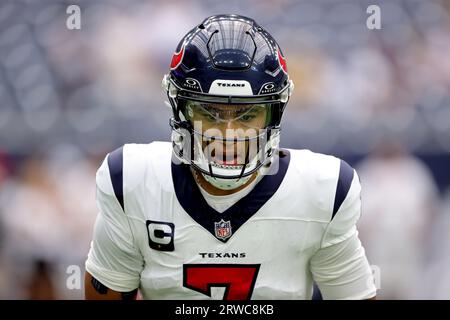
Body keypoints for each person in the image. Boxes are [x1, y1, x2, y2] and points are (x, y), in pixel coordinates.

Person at [84, 14, 377, 300]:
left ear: (274, 113)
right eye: (208, 112)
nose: (229, 133)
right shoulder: (132, 182)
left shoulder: (322, 192)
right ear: (180, 110)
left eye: (248, 114)